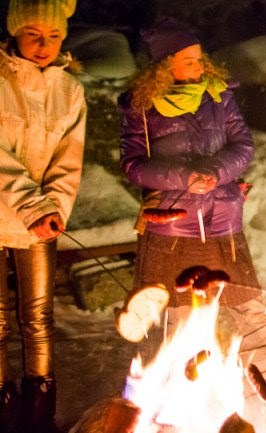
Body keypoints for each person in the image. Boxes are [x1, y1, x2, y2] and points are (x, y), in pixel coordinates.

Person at [118, 17, 262, 332]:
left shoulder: (219, 96)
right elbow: (134, 164)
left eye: (199, 58)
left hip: (224, 219)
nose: (199, 66)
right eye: (188, 60)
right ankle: (179, 377)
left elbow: (243, 145)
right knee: (180, 318)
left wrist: (216, 170)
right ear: (165, 66)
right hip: (172, 227)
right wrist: (185, 176)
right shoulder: (142, 106)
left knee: (249, 307)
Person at [0, 0, 85, 431]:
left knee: (38, 317)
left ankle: (39, 413)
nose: (43, 44)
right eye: (33, 33)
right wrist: (32, 204)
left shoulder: (70, 91)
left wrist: (53, 208)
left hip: (38, 222)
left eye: (53, 35)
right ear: (15, 32)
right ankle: (1, 408)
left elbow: (68, 162)